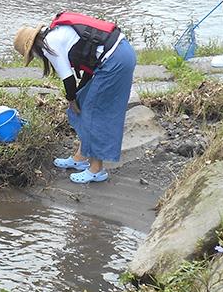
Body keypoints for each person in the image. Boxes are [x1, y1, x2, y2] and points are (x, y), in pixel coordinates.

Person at [13, 12, 136, 184]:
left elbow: (68, 79)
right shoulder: (57, 33)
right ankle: (80, 158)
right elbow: (88, 63)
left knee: (93, 114)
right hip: (119, 54)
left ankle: (96, 170)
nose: (36, 58)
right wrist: (77, 96)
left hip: (116, 60)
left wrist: (72, 99)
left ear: (34, 46)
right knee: (84, 103)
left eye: (33, 55)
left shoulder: (50, 44)